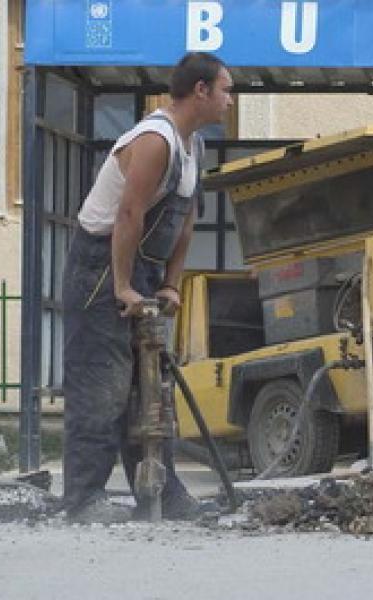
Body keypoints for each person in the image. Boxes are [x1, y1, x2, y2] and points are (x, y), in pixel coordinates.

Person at [61, 52, 234, 523]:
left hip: (140, 270)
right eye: (225, 88)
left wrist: (171, 284)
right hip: (100, 267)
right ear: (200, 90)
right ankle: (83, 499)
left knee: (149, 389)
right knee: (103, 385)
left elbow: (185, 218)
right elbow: (128, 215)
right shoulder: (155, 140)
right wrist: (121, 286)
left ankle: (162, 491)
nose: (229, 99)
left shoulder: (191, 145)